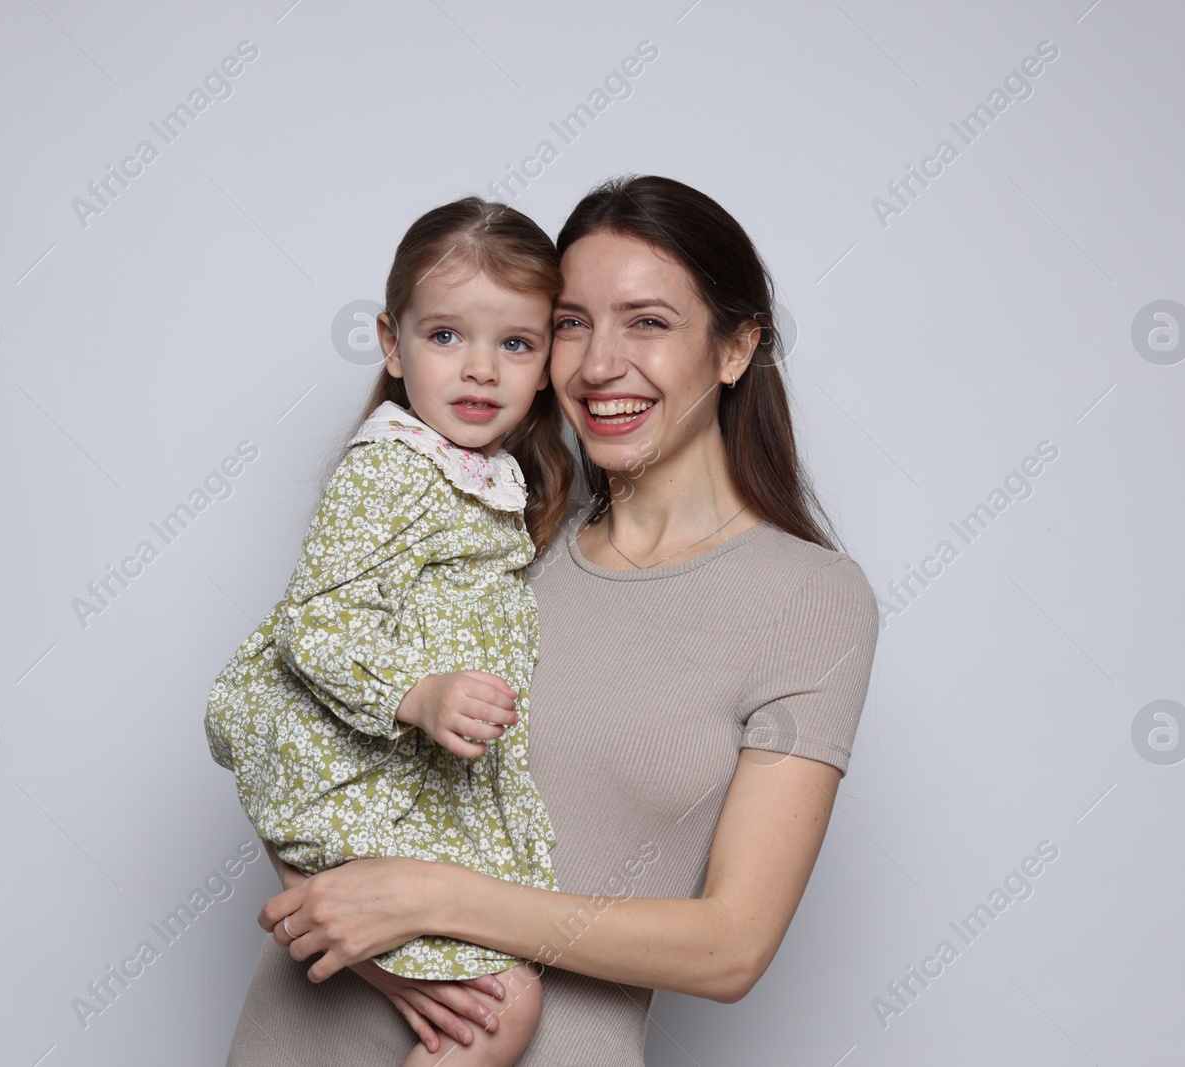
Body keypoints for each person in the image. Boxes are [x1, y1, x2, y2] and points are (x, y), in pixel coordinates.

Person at [222, 175, 881, 1066]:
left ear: (737, 348)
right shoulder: (493, 534)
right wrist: (390, 958)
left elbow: (731, 948)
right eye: (572, 323)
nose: (599, 362)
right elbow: (282, 719)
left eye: (647, 320)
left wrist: (433, 898)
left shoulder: (811, 600)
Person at [204, 196, 577, 1065]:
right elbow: (318, 622)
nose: (480, 370)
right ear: (390, 342)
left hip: (412, 781)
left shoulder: (488, 474)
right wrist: (421, 694)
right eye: (446, 336)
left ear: (547, 360)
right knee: (504, 1004)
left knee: (500, 981)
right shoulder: (390, 469)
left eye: (515, 344)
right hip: (361, 767)